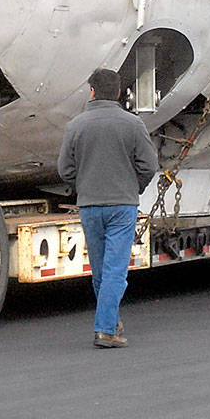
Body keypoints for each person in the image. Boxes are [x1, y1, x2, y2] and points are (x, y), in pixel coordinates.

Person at [57, 68, 159, 348]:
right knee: (115, 271)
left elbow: (65, 169)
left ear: (91, 91)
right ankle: (104, 329)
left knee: (101, 272)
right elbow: (149, 165)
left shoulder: (75, 125)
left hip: (90, 205)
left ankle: (111, 322)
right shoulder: (133, 124)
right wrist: (133, 186)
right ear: (117, 93)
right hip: (122, 205)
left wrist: (85, 184)